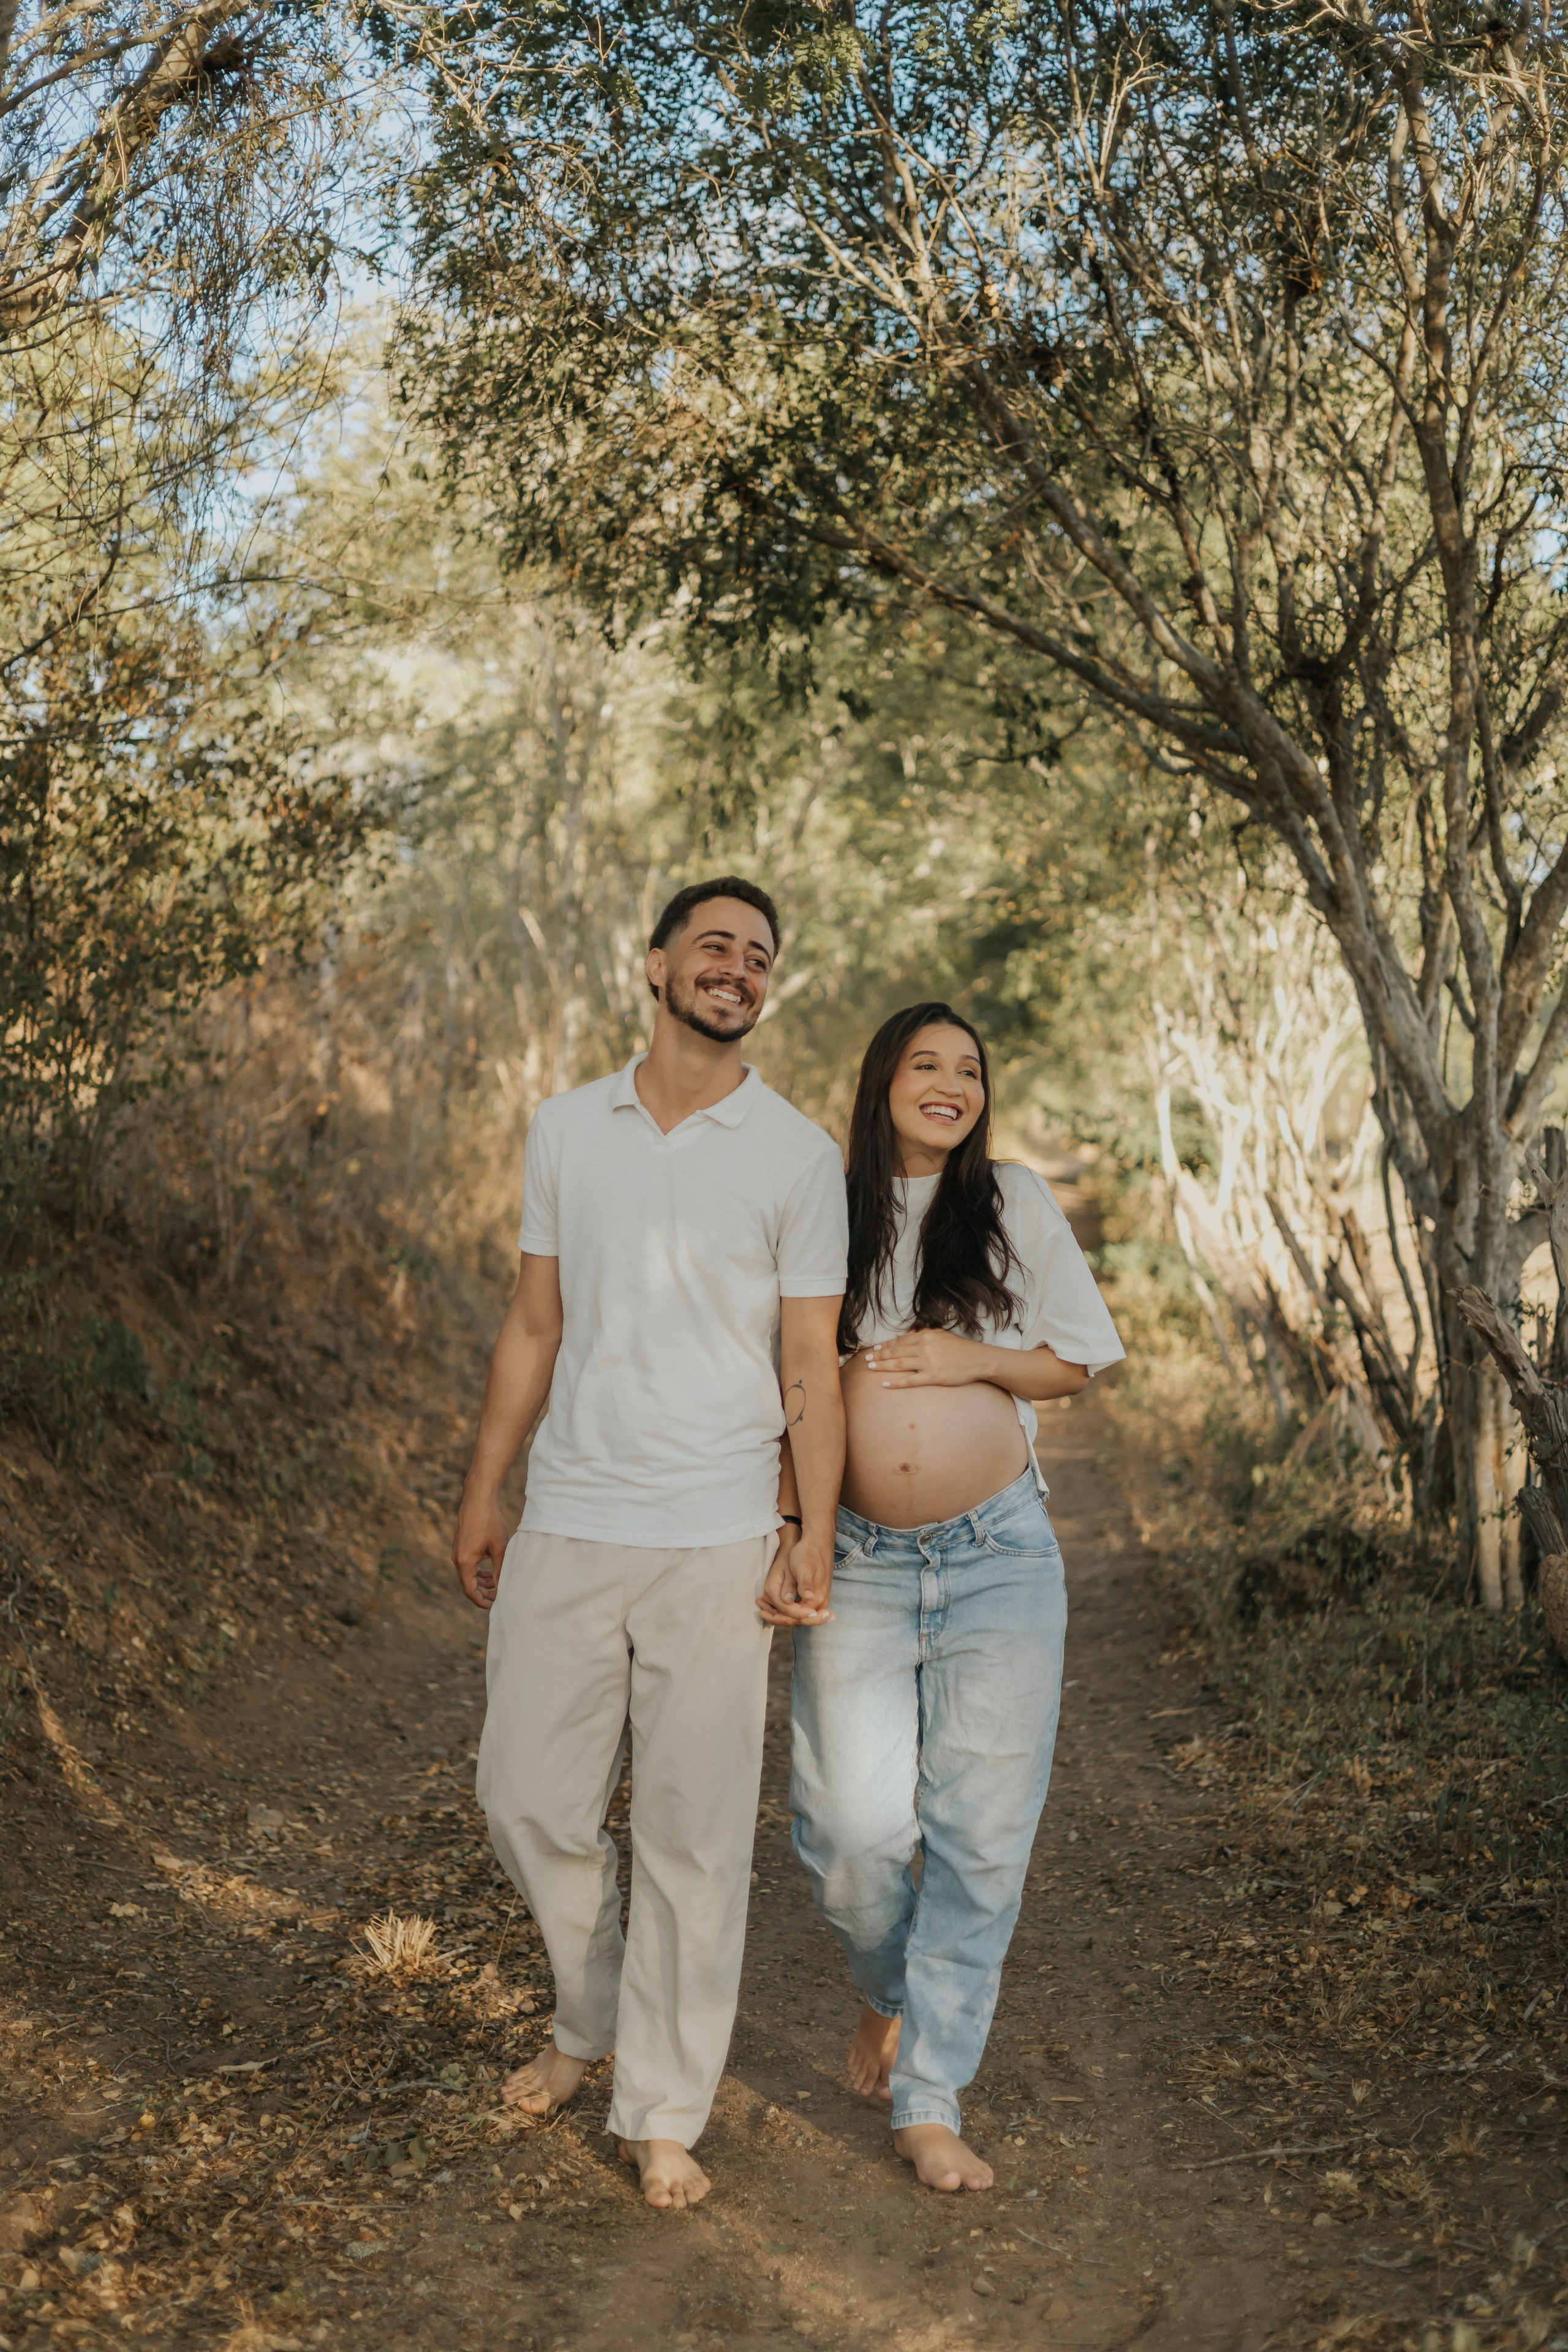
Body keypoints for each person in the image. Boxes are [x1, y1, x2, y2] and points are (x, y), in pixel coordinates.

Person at [451, 878, 847, 2211]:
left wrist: (808, 1527)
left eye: (758, 956)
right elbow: (534, 1324)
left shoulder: (796, 1156)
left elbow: (810, 1359)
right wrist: (485, 1489)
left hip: (719, 1537)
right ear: (657, 964)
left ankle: (663, 2107)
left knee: (694, 1837)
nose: (736, 968)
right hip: (570, 1513)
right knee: (522, 1797)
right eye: (713, 945)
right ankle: (590, 2011)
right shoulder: (568, 1126)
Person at [780, 1001, 1125, 2193]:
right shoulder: (825, 1208)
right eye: (925, 1063)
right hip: (862, 1557)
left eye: (968, 1068)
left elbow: (1075, 1360)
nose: (949, 1082)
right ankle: (889, 1990)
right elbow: (791, 1383)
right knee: (846, 1834)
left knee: (980, 1835)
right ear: (881, 1080)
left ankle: (928, 2099)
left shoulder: (1011, 1200)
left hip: (998, 1556)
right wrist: (795, 1531)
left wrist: (968, 1356)